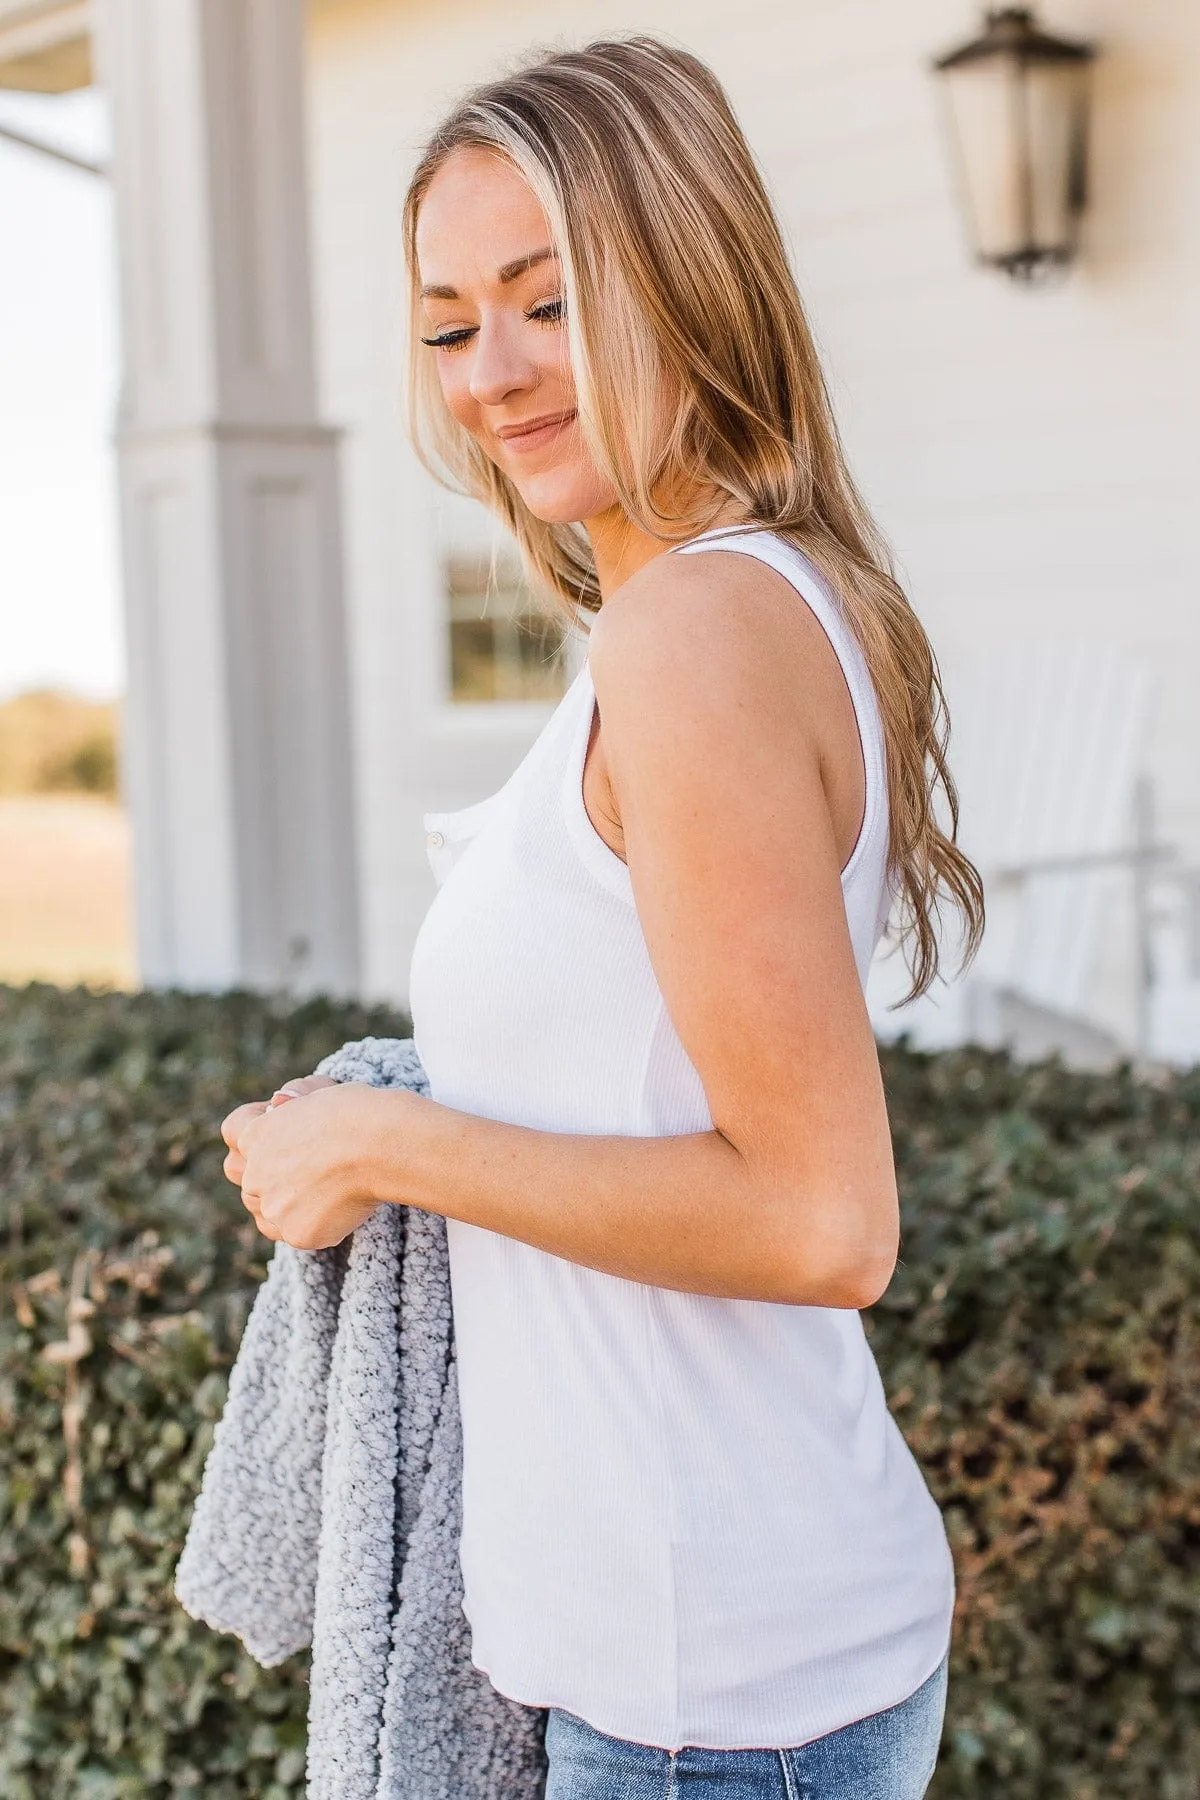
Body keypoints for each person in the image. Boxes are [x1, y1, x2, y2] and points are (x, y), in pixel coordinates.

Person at [222, 36, 984, 1800]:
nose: (489, 373)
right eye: (444, 324)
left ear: (680, 275)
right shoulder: (724, 608)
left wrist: (388, 1144)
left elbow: (821, 1218)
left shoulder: (696, 635)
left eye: (545, 302)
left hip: (715, 1701)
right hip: (695, 1664)